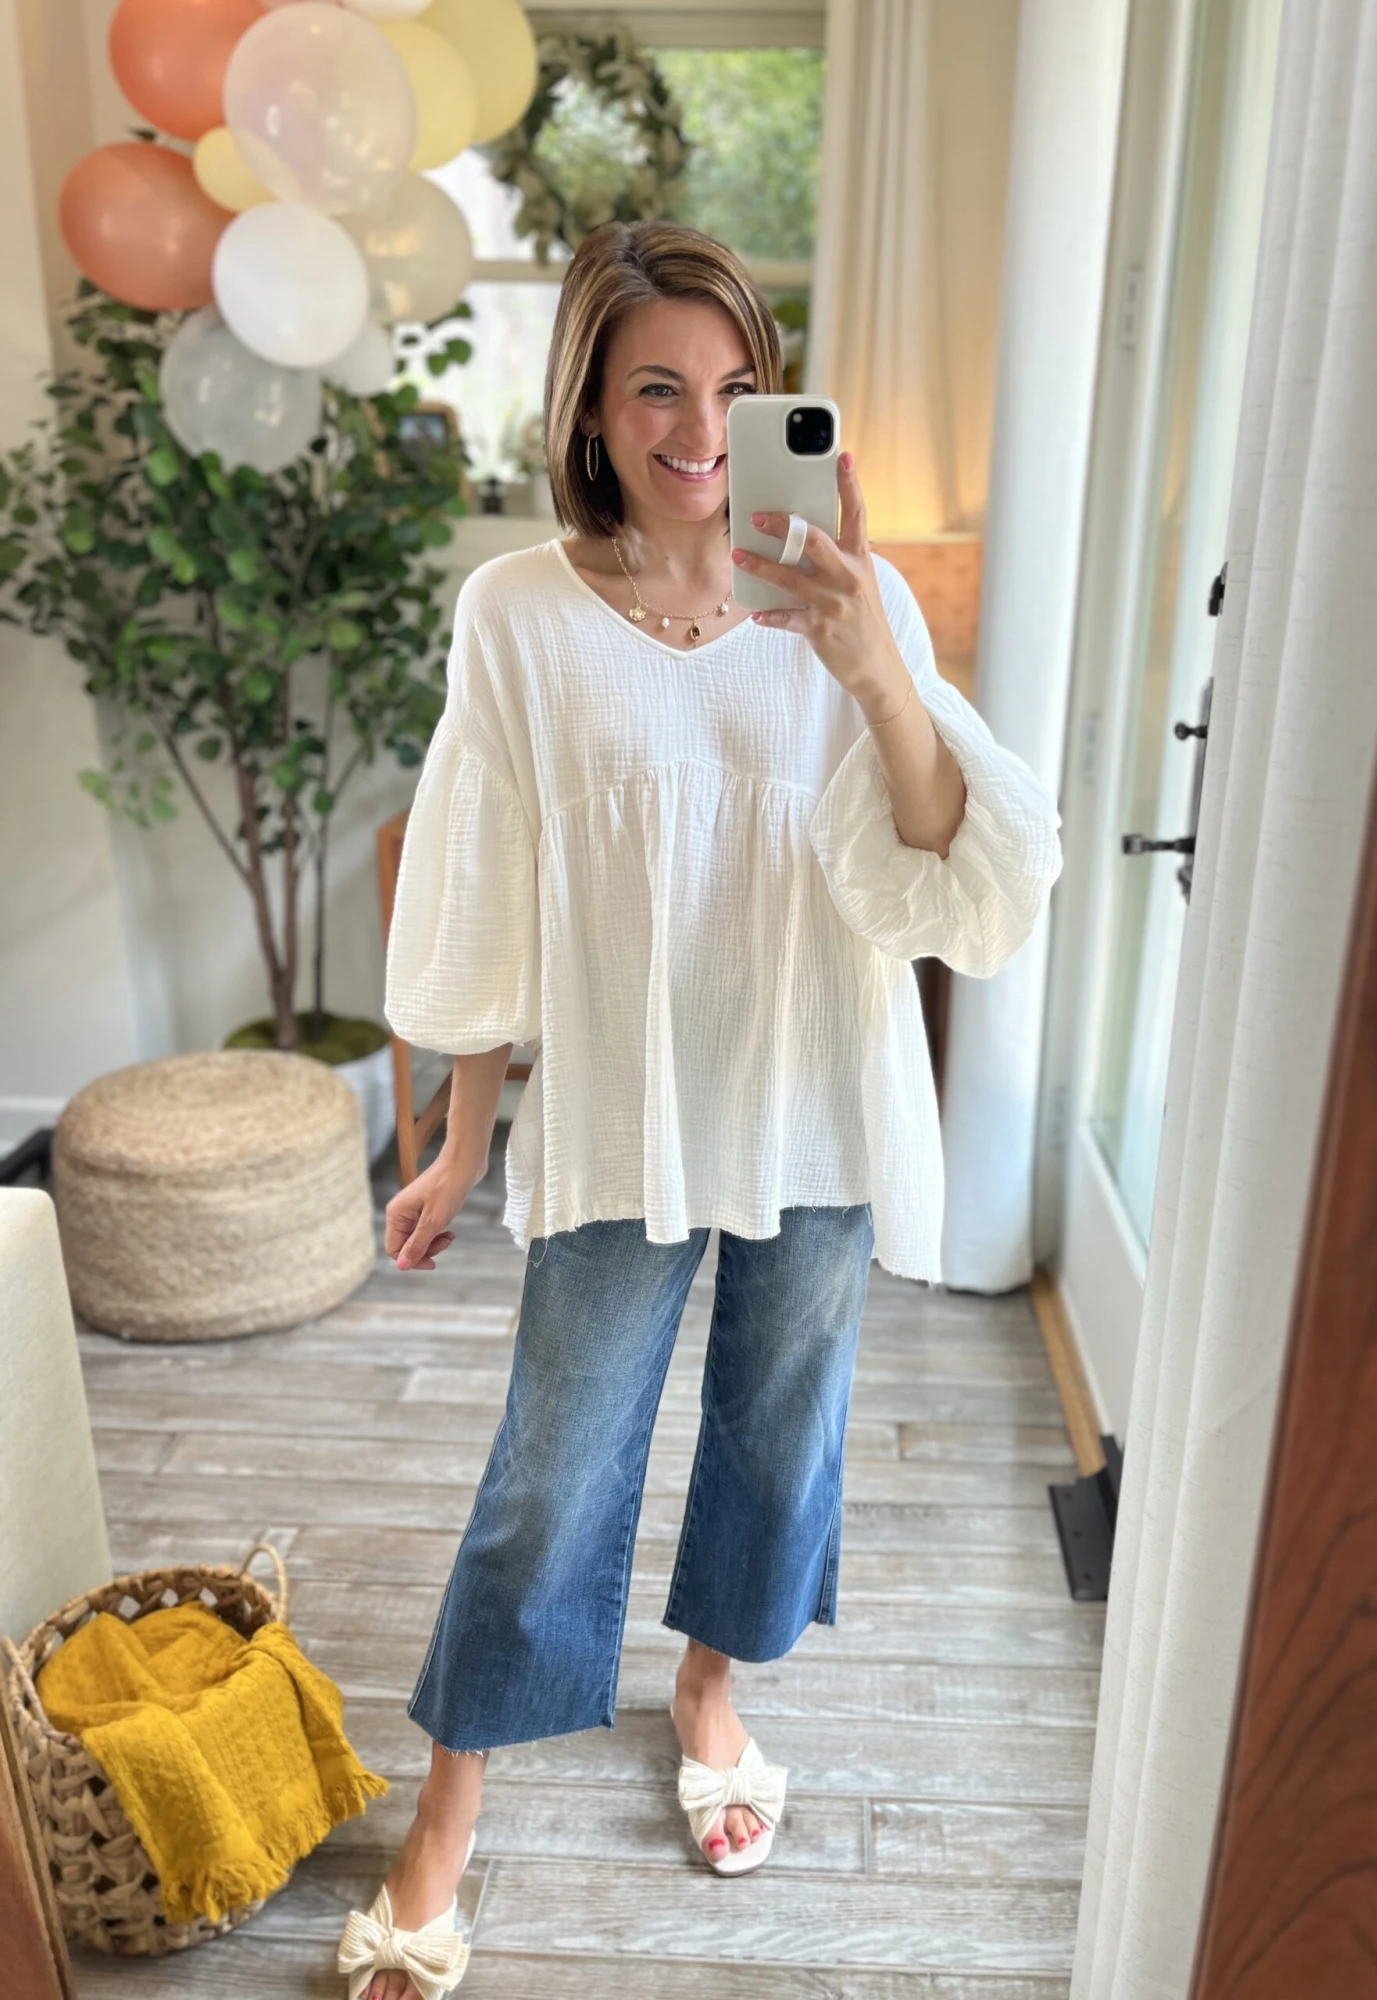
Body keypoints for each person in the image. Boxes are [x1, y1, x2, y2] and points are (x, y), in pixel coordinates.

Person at [338, 220, 1063, 2000]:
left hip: (815, 1090)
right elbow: (488, 888)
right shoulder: (517, 613)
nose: (698, 428)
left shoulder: (849, 601)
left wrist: (869, 661)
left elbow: (940, 874)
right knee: (555, 1463)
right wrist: (461, 1137)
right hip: (623, 1108)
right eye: (656, 386)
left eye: (736, 390)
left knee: (780, 1434)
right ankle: (448, 1813)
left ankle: (711, 1690)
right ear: (589, 405)